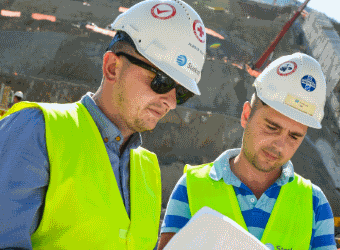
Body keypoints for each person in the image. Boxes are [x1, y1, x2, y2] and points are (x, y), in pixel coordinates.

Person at [0, 0, 206, 249]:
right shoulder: (37, 130)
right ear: (112, 67)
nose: (171, 102)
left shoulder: (148, 170)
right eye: (161, 81)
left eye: (181, 92)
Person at [158, 53, 337, 250]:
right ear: (246, 115)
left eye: (294, 136)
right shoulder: (191, 186)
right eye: (272, 127)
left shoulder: (315, 204)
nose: (280, 145)